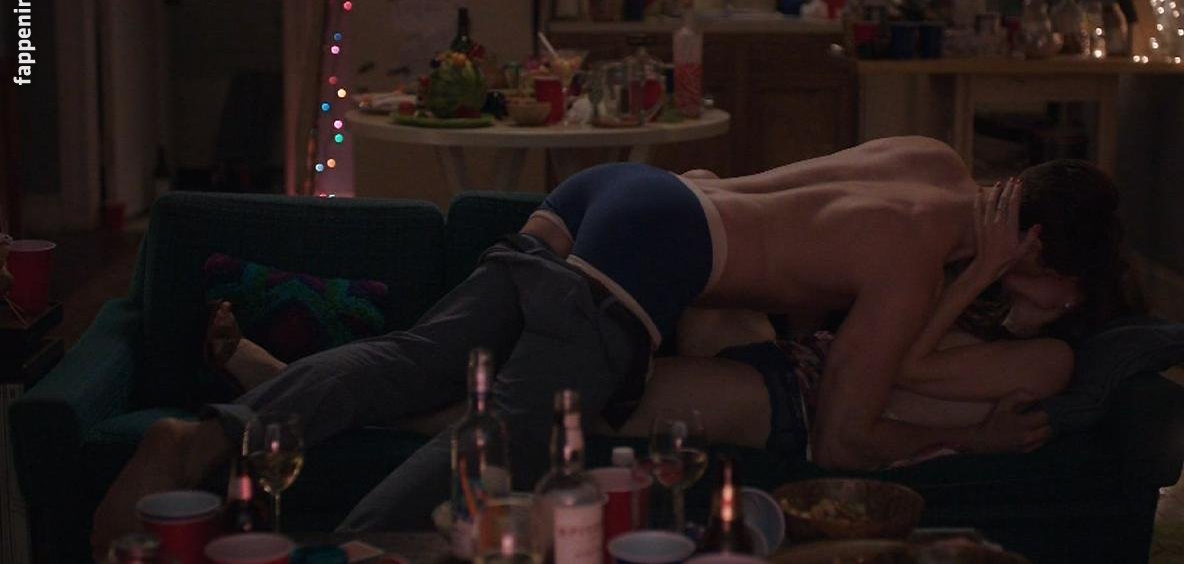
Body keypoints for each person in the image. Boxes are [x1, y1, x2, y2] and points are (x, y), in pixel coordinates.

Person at [92, 136, 1125, 547]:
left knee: (418, 359)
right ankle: (352, 552)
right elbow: (845, 439)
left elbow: (779, 228)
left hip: (618, 191)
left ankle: (207, 431)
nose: (1047, 304)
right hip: (656, 245)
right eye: (1054, 283)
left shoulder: (932, 160)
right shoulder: (919, 260)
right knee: (506, 435)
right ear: (1032, 246)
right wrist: (973, 324)